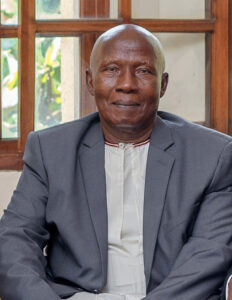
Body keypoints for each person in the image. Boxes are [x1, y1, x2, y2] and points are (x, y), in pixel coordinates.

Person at [0, 24, 232, 300]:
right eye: (111, 69)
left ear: (163, 85)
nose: (126, 84)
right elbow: (14, 241)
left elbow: (209, 253)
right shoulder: (51, 150)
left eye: (143, 71)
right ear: (90, 81)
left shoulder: (213, 154)